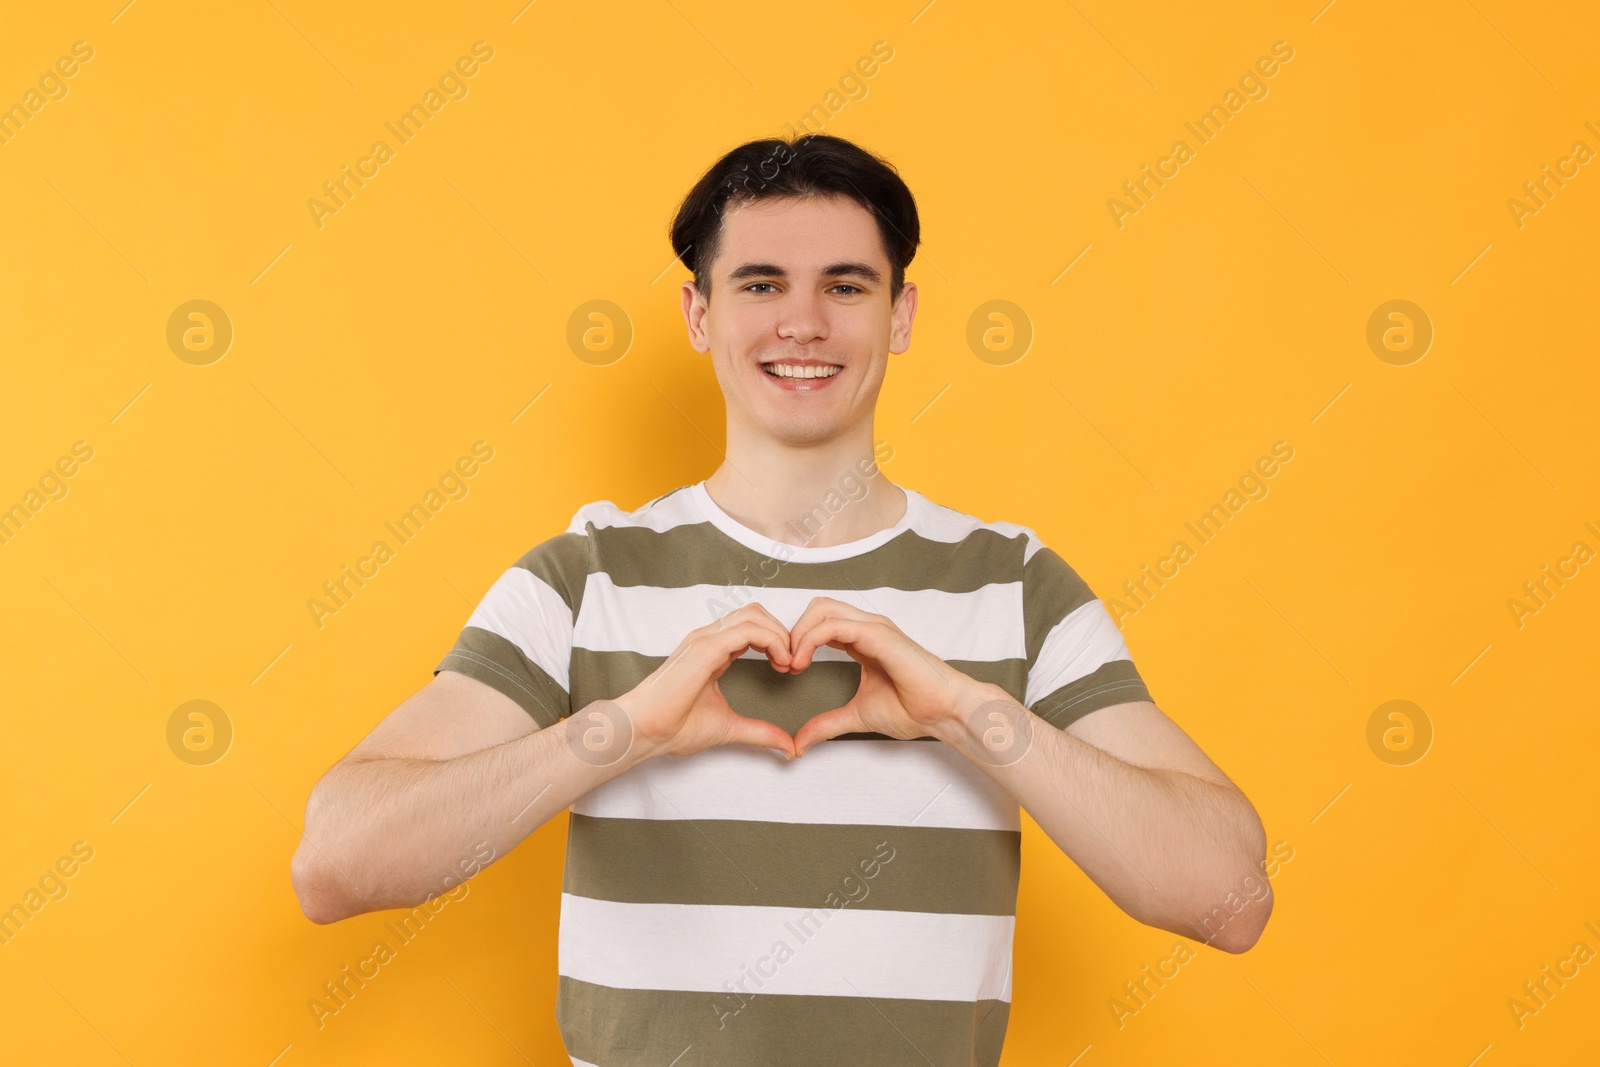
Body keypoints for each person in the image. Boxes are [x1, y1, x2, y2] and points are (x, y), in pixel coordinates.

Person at [290, 133, 1272, 1066]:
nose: (802, 323)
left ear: (901, 313)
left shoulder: (1016, 583)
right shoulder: (583, 573)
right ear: (698, 315)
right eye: (760, 284)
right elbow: (336, 862)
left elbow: (1226, 896)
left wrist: (972, 714)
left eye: (845, 286)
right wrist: (624, 730)